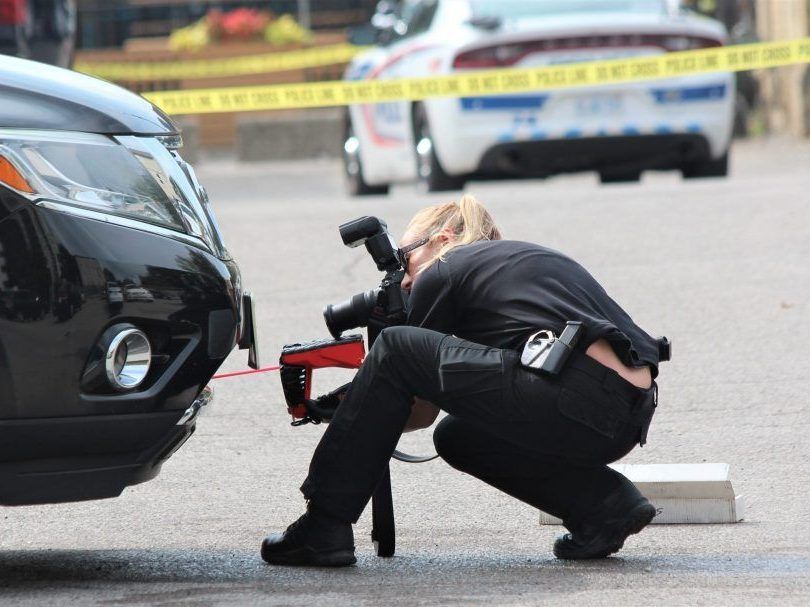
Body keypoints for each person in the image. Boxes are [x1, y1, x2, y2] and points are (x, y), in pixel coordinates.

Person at [261, 195, 660, 566]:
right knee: (459, 437)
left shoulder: (447, 266)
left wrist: (352, 407)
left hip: (573, 395)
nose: (404, 280)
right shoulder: (522, 261)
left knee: (397, 347)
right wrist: (359, 404)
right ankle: (605, 507)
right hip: (624, 420)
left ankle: (324, 525)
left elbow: (418, 408)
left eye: (405, 259)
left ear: (443, 239)